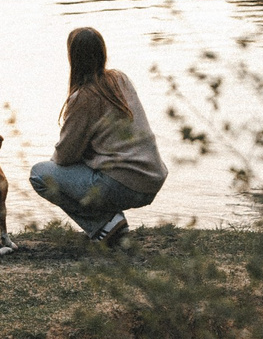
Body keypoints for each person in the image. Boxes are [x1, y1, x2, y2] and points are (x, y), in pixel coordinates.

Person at [28, 25, 164, 248]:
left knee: (40, 175)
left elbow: (64, 156)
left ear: (74, 58)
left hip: (125, 185)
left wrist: (67, 165)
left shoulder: (84, 97)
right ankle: (113, 222)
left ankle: (104, 224)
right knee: (87, 165)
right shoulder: (120, 79)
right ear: (102, 52)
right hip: (152, 178)